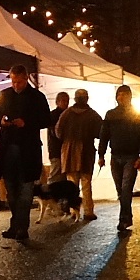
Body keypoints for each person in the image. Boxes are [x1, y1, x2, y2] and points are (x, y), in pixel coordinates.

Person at [0, 63, 51, 241]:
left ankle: (21, 227)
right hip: (8, 148)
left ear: (26, 79)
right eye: (13, 81)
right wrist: (1, 121)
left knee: (25, 191)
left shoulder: (37, 97)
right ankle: (16, 224)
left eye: (19, 82)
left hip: (28, 149)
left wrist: (27, 123)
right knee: (11, 191)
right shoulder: (4, 95)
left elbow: (46, 119)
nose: (16, 85)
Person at [97, 85, 140, 234]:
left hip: (131, 156)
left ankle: (124, 219)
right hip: (115, 155)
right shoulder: (111, 114)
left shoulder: (137, 115)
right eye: (119, 94)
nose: (121, 97)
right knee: (120, 190)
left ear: (130, 96)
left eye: (124, 94)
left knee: (126, 188)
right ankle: (127, 216)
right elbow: (104, 135)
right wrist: (101, 155)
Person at [55, 88, 102, 222]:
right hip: (86, 151)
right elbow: (100, 132)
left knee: (71, 184)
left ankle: (73, 211)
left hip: (69, 151)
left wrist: (68, 139)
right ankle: (88, 211)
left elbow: (58, 132)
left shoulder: (66, 113)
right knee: (86, 183)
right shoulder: (92, 115)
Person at [47, 91, 70, 183]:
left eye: (67, 101)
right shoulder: (53, 115)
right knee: (55, 175)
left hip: (65, 150)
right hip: (56, 149)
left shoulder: (68, 114)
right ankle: (50, 195)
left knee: (63, 176)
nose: (65, 103)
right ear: (57, 102)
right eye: (63, 101)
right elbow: (54, 133)